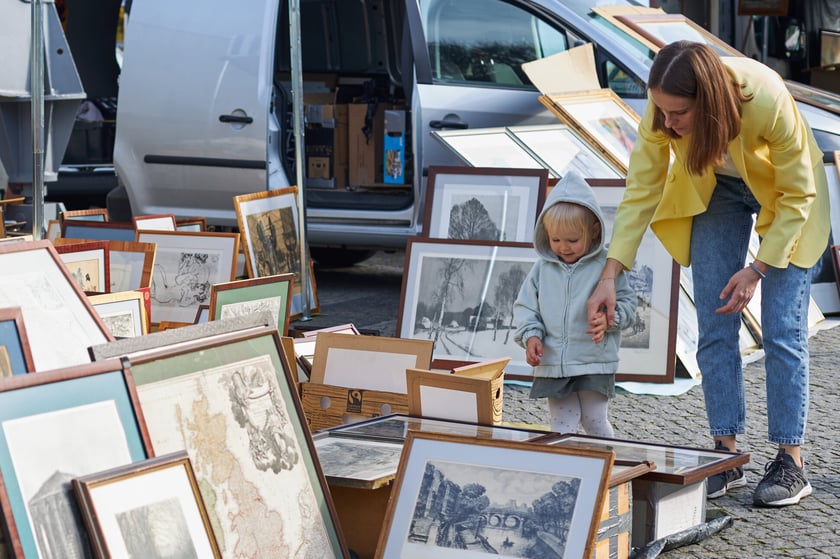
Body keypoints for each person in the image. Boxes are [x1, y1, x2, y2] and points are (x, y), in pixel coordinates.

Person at [587, 41, 830, 507]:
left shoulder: (764, 95)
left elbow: (800, 193)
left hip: (789, 195)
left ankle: (791, 462)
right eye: (660, 110)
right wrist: (609, 275)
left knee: (782, 328)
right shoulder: (664, 112)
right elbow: (641, 188)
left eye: (678, 113)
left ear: (710, 101)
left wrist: (757, 269)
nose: (666, 123)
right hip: (716, 189)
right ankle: (726, 454)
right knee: (716, 325)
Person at [513, 170, 636, 437]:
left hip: (594, 361)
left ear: (593, 232)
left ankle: (607, 472)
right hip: (553, 361)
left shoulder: (607, 268)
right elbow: (525, 308)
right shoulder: (542, 269)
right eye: (556, 240)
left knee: (594, 421)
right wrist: (531, 335)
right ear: (545, 234)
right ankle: (567, 473)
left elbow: (628, 303)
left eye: (572, 240)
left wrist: (610, 319)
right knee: (562, 425)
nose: (563, 247)